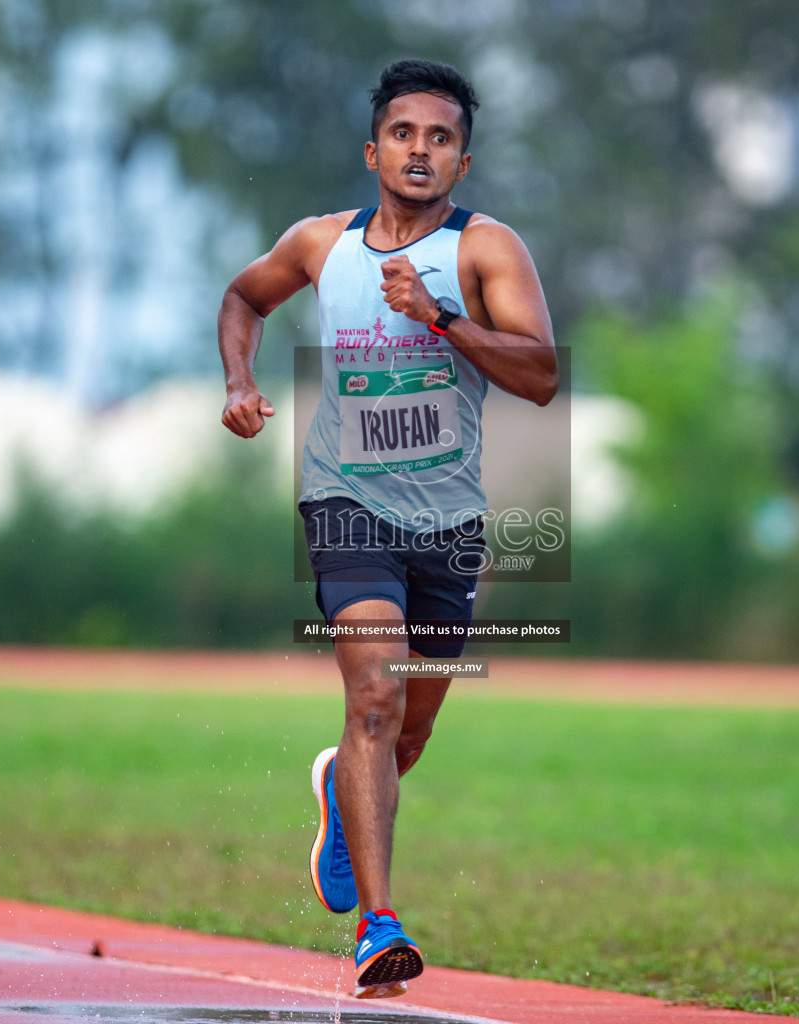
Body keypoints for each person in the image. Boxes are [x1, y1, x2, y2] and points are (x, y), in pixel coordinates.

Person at [217, 58, 557, 999]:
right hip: (346, 502)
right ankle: (378, 926)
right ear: (375, 150)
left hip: (448, 521)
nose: (421, 150)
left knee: (405, 730)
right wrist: (241, 382)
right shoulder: (321, 244)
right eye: (405, 134)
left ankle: (340, 789)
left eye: (440, 138)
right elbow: (244, 297)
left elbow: (539, 376)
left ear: (463, 161)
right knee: (373, 698)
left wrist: (441, 317)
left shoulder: (487, 251)